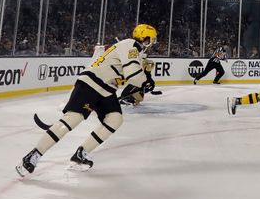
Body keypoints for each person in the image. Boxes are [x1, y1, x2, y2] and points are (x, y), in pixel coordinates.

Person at [16, 24, 157, 176]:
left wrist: (146, 75)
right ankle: (33, 156)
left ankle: (81, 154)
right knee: (73, 119)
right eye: (151, 39)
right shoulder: (131, 45)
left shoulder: (135, 51)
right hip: (92, 83)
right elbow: (133, 75)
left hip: (106, 88)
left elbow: (132, 73)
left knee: (115, 119)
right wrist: (146, 80)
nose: (152, 43)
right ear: (145, 37)